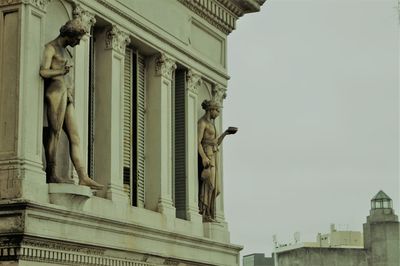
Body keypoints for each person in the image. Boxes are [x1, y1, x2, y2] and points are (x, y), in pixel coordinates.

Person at [39, 18, 103, 190]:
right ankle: (51, 172)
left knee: (75, 136)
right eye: (78, 39)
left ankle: (83, 175)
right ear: (70, 36)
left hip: (67, 95)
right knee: (55, 133)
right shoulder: (50, 48)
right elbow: (43, 71)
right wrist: (60, 71)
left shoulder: (67, 52)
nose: (79, 43)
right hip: (55, 92)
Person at [197, 100, 237, 222]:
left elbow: (216, 142)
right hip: (207, 154)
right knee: (210, 184)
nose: (218, 113)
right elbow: (197, 141)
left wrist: (225, 133)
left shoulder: (212, 124)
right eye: (217, 110)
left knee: (216, 188)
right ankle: (205, 213)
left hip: (214, 154)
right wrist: (203, 156)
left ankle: (209, 212)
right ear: (211, 110)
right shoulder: (202, 123)